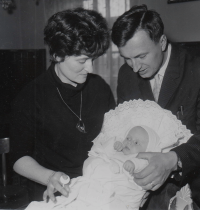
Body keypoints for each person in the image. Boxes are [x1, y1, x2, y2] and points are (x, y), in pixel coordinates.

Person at [9, 7, 115, 203]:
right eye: (82, 60)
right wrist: (50, 176)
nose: (90, 68)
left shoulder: (100, 88)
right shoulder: (30, 96)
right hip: (53, 193)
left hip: (99, 189)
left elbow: (113, 138)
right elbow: (18, 159)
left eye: (93, 59)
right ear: (58, 54)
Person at [24, 99, 192, 210]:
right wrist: (114, 144)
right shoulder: (118, 151)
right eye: (128, 138)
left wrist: (132, 165)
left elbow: (142, 166)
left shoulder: (140, 159)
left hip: (114, 198)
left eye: (136, 143)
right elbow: (101, 149)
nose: (129, 143)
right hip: (91, 185)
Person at [111, 4, 200, 209]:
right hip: (138, 189)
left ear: (161, 42)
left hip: (191, 189)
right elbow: (126, 130)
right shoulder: (126, 75)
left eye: (141, 56)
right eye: (127, 59)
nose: (134, 68)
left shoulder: (196, 70)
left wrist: (173, 159)